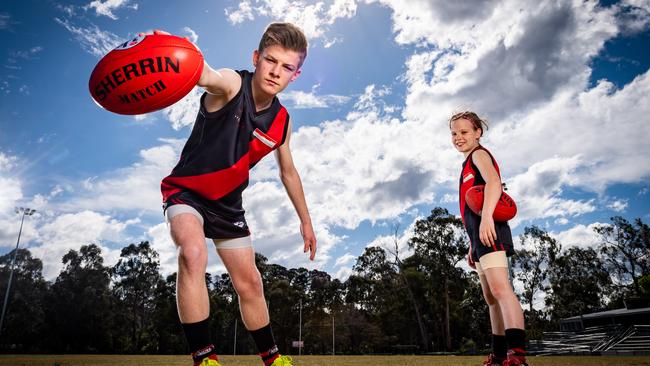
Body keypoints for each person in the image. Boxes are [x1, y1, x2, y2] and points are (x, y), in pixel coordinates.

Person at [159, 23, 317, 366]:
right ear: (256, 58)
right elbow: (206, 75)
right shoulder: (233, 84)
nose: (276, 72)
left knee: (250, 283)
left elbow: (287, 171)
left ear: (296, 73)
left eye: (286, 67)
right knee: (192, 252)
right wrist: (166, 53)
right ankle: (205, 358)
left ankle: (273, 358)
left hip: (228, 203)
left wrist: (306, 222)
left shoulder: (282, 122)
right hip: (186, 192)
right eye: (270, 61)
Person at [450, 111, 528, 366]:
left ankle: (517, 356)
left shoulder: (479, 155)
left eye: (464, 132)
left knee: (500, 290)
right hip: (479, 236)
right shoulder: (466, 165)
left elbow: (494, 182)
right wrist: (473, 244)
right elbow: (470, 207)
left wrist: (485, 220)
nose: (458, 137)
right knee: (490, 297)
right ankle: (497, 356)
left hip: (491, 228)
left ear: (477, 133)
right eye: (454, 133)